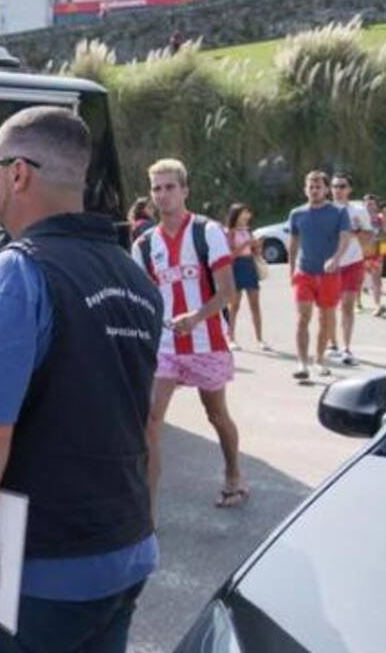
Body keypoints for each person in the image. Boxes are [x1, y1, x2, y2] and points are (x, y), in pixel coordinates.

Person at [0, 106, 161, 653]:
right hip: (126, 546)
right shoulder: (133, 275)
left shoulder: (18, 271)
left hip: (39, 566)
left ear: (17, 173)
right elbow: (143, 418)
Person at [134, 158, 246, 511]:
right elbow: (142, 298)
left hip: (206, 342)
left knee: (216, 415)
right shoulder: (143, 244)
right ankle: (148, 514)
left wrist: (196, 317)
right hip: (165, 346)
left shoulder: (207, 231)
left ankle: (233, 474)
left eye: (170, 187)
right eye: (157, 188)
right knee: (151, 420)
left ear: (184, 190)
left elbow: (227, 291)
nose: (163, 195)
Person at [288, 171, 353, 380]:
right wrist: (291, 269)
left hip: (329, 274)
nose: (314, 190)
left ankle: (319, 360)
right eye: (311, 187)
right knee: (302, 318)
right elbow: (293, 243)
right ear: (305, 190)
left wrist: (336, 258)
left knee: (325, 319)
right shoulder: (297, 214)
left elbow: (345, 238)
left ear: (326, 190)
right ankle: (302, 363)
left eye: (318, 187)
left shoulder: (338, 212)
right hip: (304, 273)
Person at [328, 172, 373, 365]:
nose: (338, 190)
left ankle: (346, 348)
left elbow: (369, 238)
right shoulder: (324, 210)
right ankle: (332, 344)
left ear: (349, 189)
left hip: (353, 262)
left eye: (342, 186)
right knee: (329, 307)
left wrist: (356, 232)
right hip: (330, 264)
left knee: (347, 305)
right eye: (335, 186)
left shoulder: (359, 211)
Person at [224, 203, 268, 350]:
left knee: (255, 304)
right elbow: (230, 255)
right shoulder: (230, 232)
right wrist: (246, 244)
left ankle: (260, 339)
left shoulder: (248, 231)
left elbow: (255, 252)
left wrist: (257, 246)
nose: (248, 215)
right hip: (236, 267)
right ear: (237, 215)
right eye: (245, 212)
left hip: (249, 265)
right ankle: (231, 338)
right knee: (234, 305)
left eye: (248, 212)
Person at [362, 195, 386, 316]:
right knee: (358, 280)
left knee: (376, 279)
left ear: (376, 206)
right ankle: (357, 303)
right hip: (360, 253)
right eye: (367, 203)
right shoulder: (359, 218)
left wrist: (379, 242)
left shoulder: (380, 219)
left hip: (375, 253)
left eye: (371, 204)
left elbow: (384, 237)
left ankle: (377, 305)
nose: (369, 206)